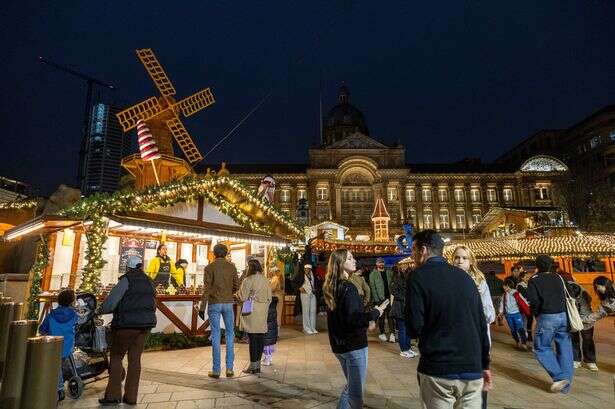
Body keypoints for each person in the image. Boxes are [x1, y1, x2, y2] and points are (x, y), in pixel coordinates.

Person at [405, 230, 491, 409]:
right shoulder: (466, 278)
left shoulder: (418, 277)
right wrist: (485, 364)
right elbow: (481, 324)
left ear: (423, 250)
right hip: (472, 368)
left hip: (439, 368)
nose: (411, 254)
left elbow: (415, 326)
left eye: (413, 249)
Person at [323, 249, 387, 408]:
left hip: (339, 346)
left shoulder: (332, 286)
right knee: (354, 392)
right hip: (353, 346)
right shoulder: (348, 288)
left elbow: (343, 317)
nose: (354, 260)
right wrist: (375, 313)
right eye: (350, 258)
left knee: (351, 387)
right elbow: (354, 319)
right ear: (340, 263)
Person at [98, 255, 156, 406]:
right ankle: (131, 397)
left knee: (117, 357)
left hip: (126, 325)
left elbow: (111, 303)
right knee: (135, 360)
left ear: (127, 267)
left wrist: (100, 310)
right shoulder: (149, 281)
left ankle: (113, 395)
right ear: (141, 266)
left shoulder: (126, 280)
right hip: (145, 326)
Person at [452, 245, 496, 409]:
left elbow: (490, 313)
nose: (460, 261)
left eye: (464, 258)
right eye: (457, 257)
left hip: (477, 340)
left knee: (477, 387)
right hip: (455, 340)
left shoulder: (479, 281)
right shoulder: (448, 280)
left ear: (471, 261)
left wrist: (474, 307)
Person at [526, 255, 573, 394]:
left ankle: (559, 377)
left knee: (541, 347)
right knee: (565, 348)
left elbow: (533, 300)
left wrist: (536, 314)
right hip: (563, 316)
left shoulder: (534, 280)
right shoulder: (559, 277)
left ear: (537, 266)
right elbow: (569, 293)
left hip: (547, 316)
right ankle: (565, 388)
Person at [198, 243, 240, 378]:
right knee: (230, 334)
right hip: (228, 303)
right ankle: (229, 368)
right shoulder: (232, 267)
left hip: (214, 303)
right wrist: (229, 292)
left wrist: (202, 307)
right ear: (226, 253)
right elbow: (236, 286)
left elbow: (206, 289)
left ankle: (216, 370)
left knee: (215, 334)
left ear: (214, 254)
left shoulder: (209, 267)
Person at [39, 289, 77, 402]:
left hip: (54, 346)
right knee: (62, 364)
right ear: (72, 302)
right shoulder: (74, 315)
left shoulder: (51, 315)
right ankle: (67, 384)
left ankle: (60, 388)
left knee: (56, 366)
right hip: (68, 346)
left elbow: (42, 329)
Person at [237, 259, 272, 375]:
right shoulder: (265, 279)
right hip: (263, 311)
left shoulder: (248, 280)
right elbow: (270, 298)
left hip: (252, 311)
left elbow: (242, 297)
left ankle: (253, 366)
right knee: (260, 338)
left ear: (250, 267)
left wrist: (236, 294)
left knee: (252, 339)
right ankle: (257, 367)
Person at [567, 281, 598, 371]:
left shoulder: (584, 295)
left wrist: (580, 321)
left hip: (585, 318)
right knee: (574, 339)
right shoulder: (565, 291)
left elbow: (585, 312)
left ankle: (590, 361)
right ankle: (576, 359)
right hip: (572, 318)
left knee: (588, 339)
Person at [390, 265, 417, 358]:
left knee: (407, 329)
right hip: (399, 307)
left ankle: (408, 348)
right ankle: (403, 350)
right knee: (402, 329)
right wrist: (403, 298)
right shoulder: (398, 280)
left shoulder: (408, 282)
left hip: (405, 308)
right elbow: (393, 291)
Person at [498, 277, 529, 350]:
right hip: (508, 315)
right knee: (513, 329)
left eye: (504, 286)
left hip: (517, 314)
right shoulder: (504, 295)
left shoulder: (516, 293)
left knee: (520, 328)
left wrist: (527, 308)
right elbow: (502, 304)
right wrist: (500, 312)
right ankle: (517, 342)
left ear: (508, 286)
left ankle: (524, 343)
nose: (503, 287)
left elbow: (523, 301)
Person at [369, 257, 395, 343]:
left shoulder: (389, 272)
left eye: (382, 262)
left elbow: (392, 283)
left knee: (390, 316)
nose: (381, 264)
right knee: (381, 317)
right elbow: (373, 288)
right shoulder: (373, 274)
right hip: (380, 299)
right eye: (379, 263)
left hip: (389, 297)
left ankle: (392, 333)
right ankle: (382, 332)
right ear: (376, 264)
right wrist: (377, 300)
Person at [295, 263, 318, 334]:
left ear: (310, 269)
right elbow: (294, 282)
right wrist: (299, 288)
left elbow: (316, 283)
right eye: (305, 269)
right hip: (304, 294)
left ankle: (312, 327)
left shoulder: (313, 275)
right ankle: (306, 328)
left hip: (312, 294)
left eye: (308, 269)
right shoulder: (301, 275)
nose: (306, 270)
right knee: (306, 311)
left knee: (313, 311)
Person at [516, 271, 534, 345]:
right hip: (523, 306)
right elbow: (525, 294)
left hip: (529, 305)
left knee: (530, 320)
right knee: (523, 320)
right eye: (526, 277)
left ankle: (529, 335)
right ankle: (523, 336)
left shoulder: (529, 284)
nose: (528, 278)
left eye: (528, 277)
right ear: (522, 277)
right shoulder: (520, 285)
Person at [262, 289, 279, 366]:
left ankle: (267, 359)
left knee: (266, 344)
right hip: (272, 328)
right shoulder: (274, 303)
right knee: (269, 344)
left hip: (267, 329)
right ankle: (269, 357)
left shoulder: (266, 304)